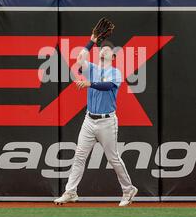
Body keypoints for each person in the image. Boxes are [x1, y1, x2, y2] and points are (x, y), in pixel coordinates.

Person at [54, 32, 138, 207]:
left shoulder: (115, 72)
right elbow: (79, 59)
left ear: (113, 56)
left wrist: (89, 84)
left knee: (113, 158)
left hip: (107, 121)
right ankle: (71, 192)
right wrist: (91, 42)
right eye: (102, 49)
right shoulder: (91, 68)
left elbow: (107, 86)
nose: (103, 51)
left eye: (107, 50)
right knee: (79, 156)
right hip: (89, 120)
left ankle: (128, 189)